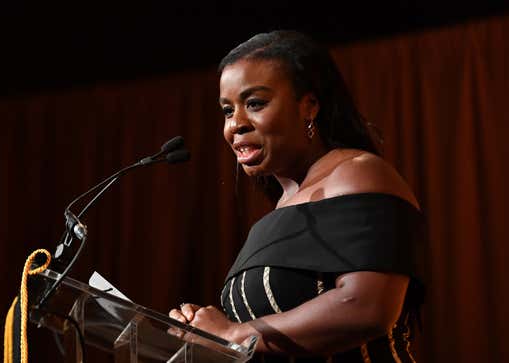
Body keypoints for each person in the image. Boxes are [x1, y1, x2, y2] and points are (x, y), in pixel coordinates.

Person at [169, 31, 425, 362]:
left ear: (309, 105)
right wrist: (204, 331)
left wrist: (233, 333)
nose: (236, 125)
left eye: (255, 103)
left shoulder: (356, 172)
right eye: (228, 111)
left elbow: (368, 306)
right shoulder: (277, 212)